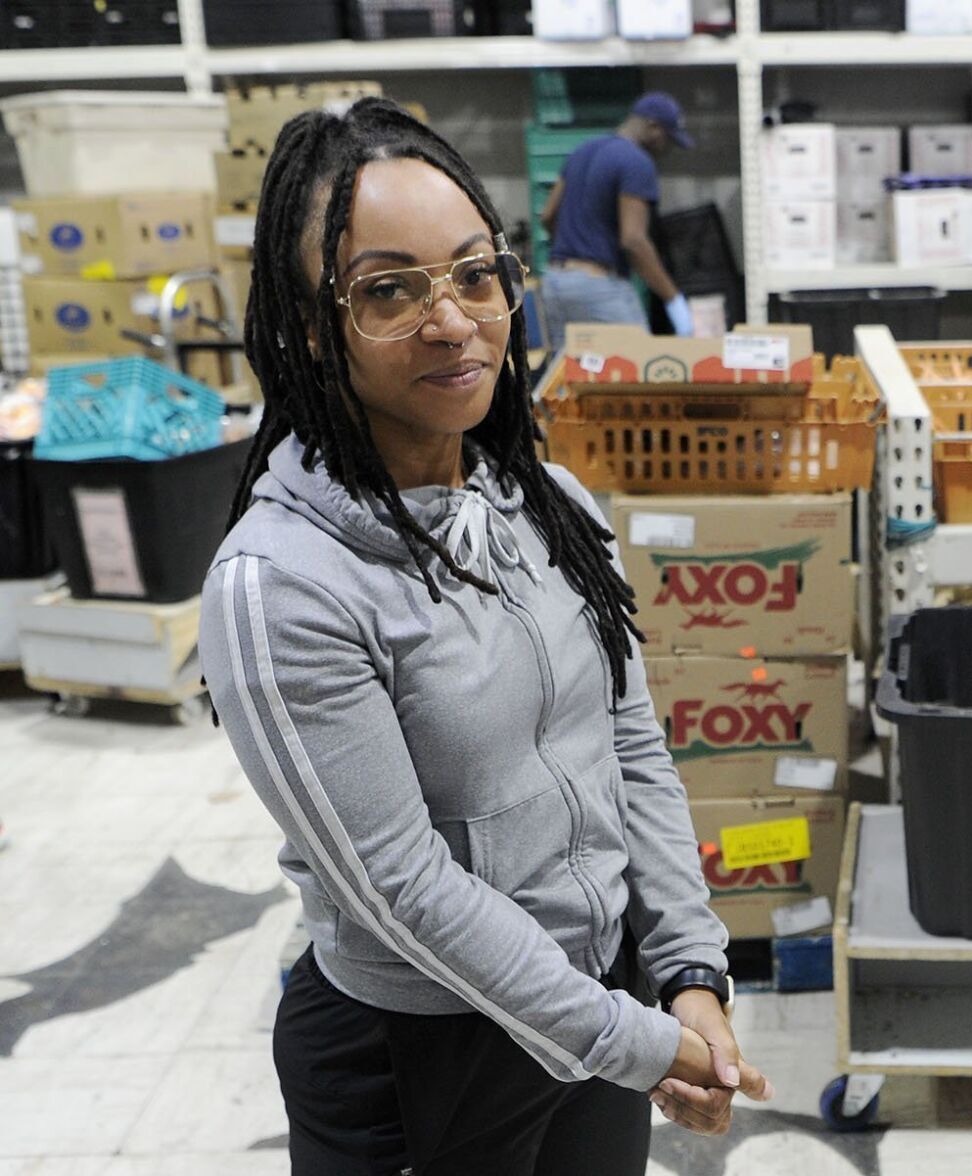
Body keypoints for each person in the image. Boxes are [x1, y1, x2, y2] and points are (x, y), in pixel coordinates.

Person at [200, 98, 773, 1174]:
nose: (454, 319)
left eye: (474, 273)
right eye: (387, 290)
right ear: (311, 327)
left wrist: (690, 967)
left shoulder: (546, 502)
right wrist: (637, 1045)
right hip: (420, 1052)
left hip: (595, 1001)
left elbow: (629, 745)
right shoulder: (281, 585)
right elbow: (400, 889)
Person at [539, 92, 696, 350]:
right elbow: (633, 240)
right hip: (599, 287)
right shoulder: (637, 162)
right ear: (653, 128)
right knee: (639, 368)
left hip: (556, 283)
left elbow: (548, 216)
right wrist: (674, 300)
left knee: (569, 379)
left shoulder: (582, 150)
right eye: (668, 139)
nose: (666, 149)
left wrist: (577, 249)